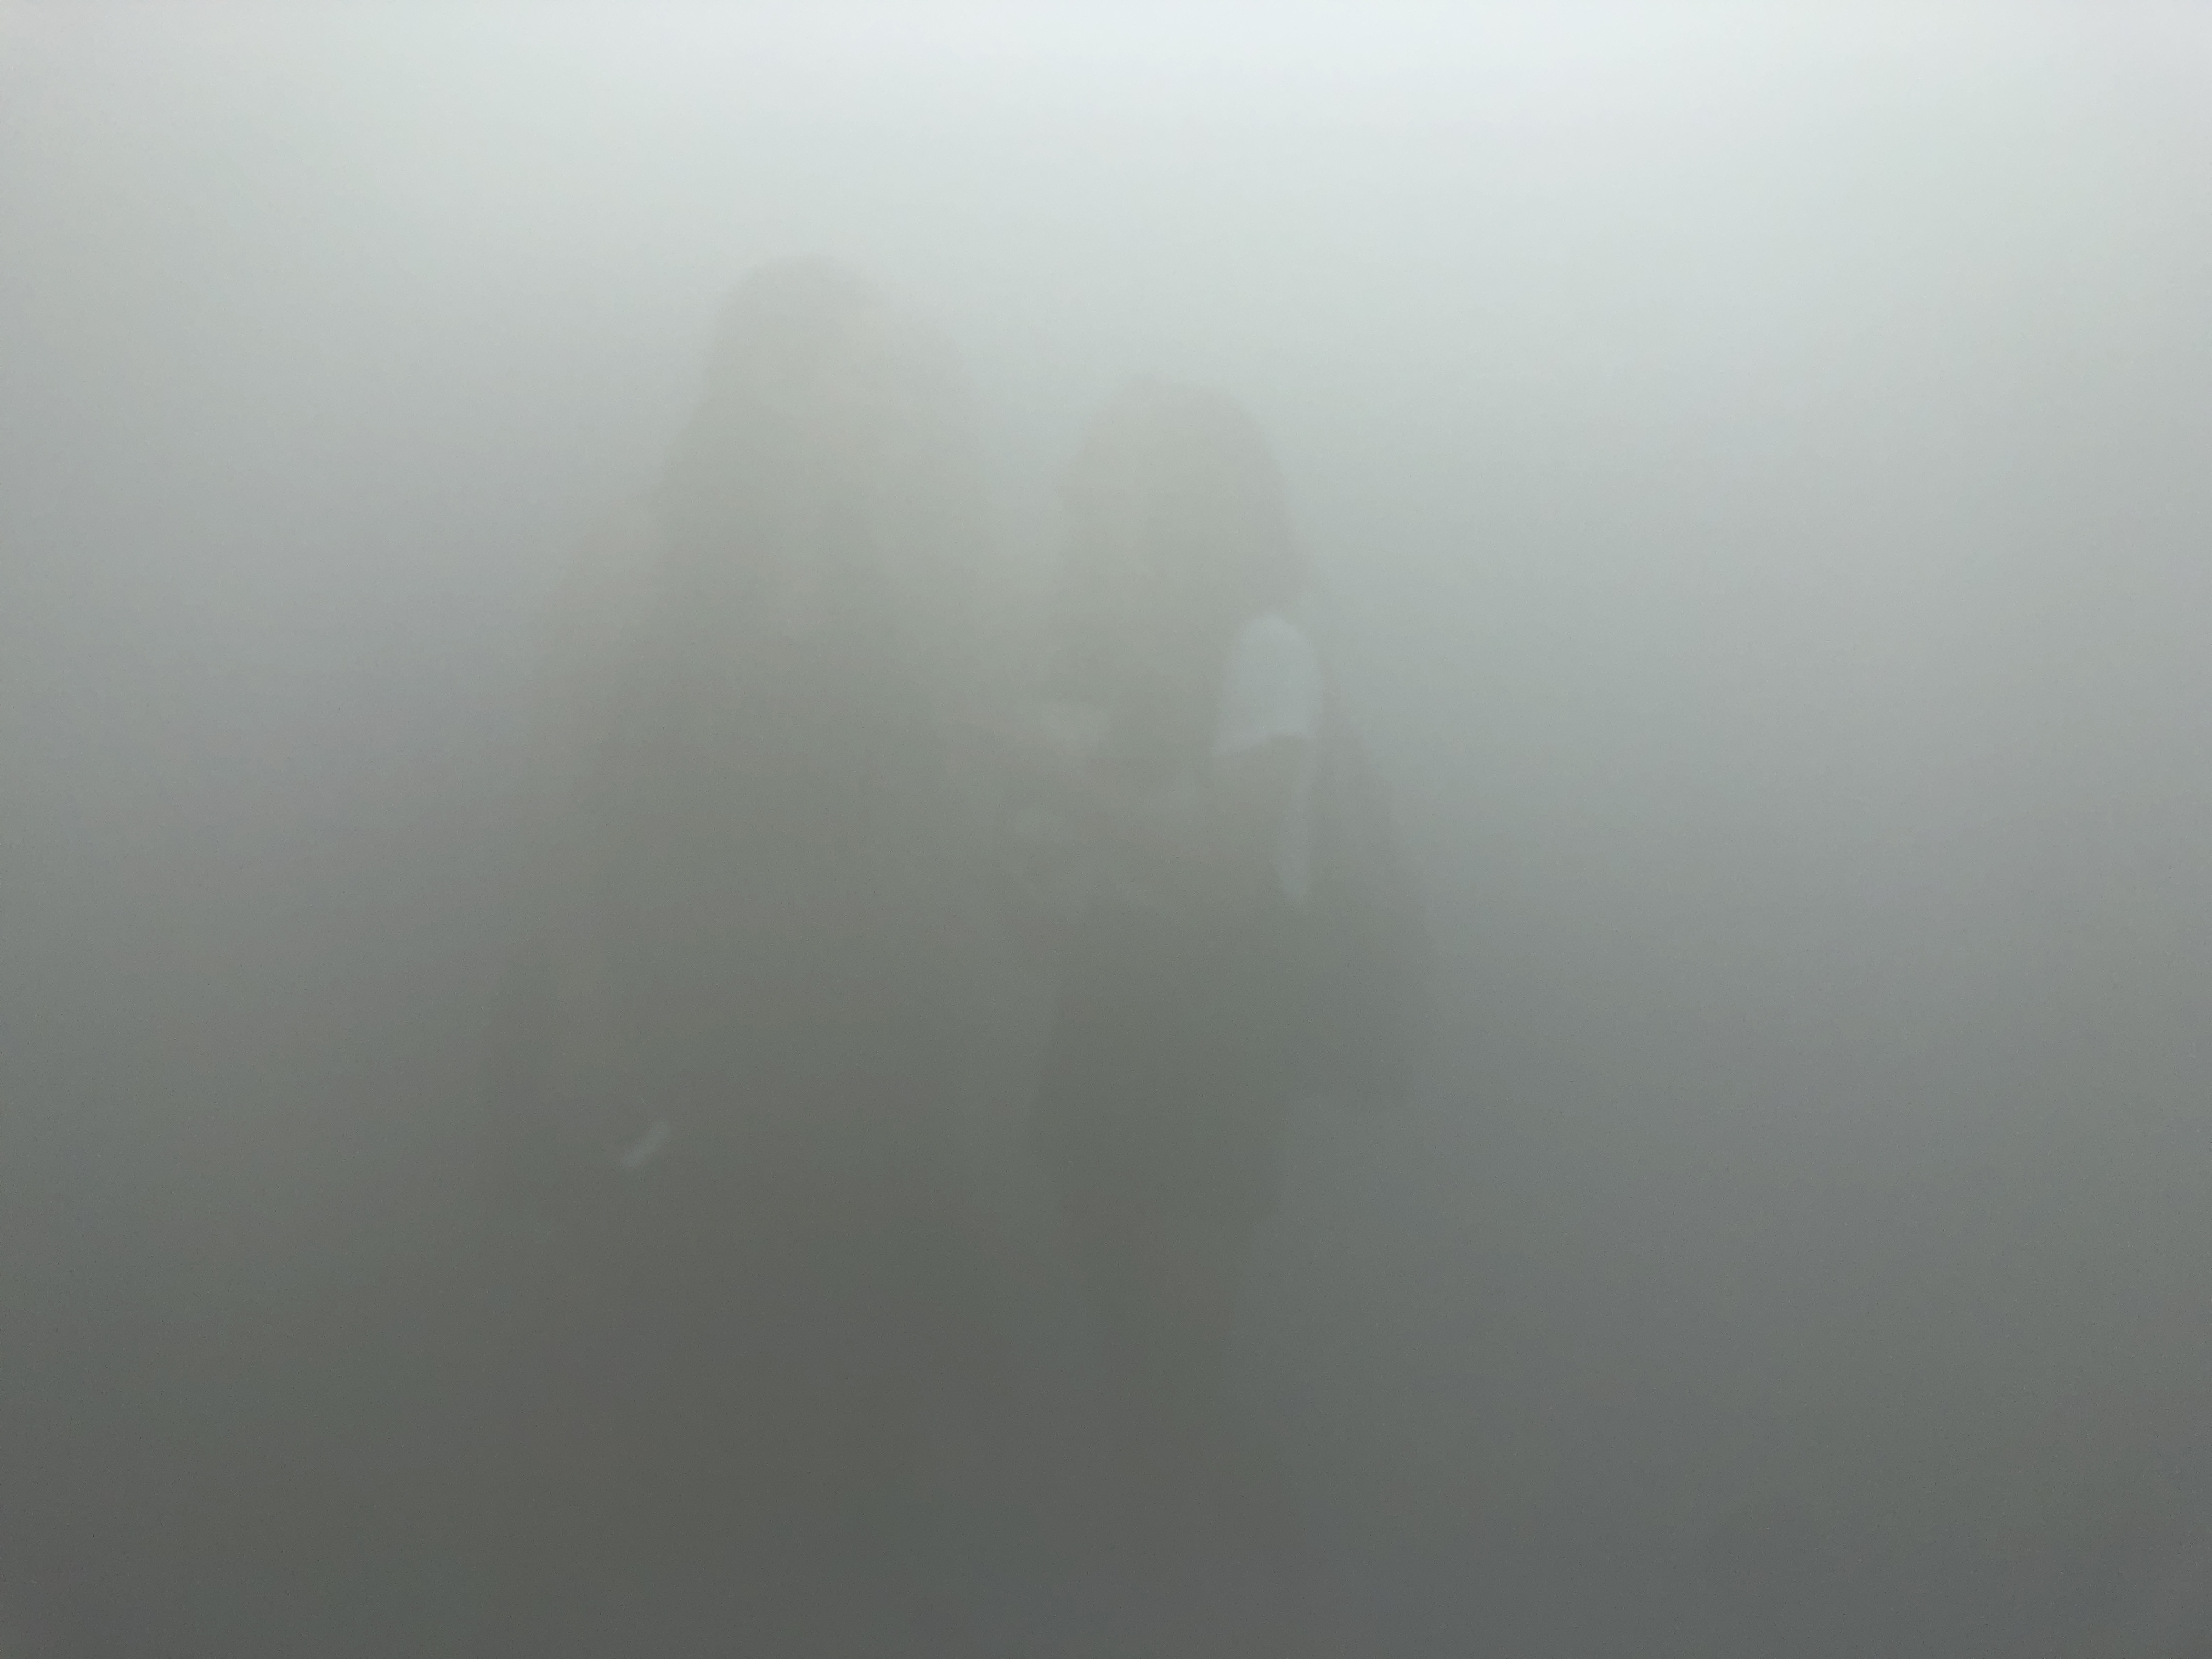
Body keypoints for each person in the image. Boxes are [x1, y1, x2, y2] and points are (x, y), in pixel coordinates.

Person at [474, 258, 1006, 1643]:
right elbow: (554, 797)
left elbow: (931, 779)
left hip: (837, 1044)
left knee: (834, 1369)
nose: (891, 406)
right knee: (665, 1355)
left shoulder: (874, 564)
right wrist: (587, 1014)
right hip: (675, 1026)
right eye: (865, 376)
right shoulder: (643, 550)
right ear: (772, 379)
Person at [1000, 380, 1325, 1576]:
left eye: (1106, 462)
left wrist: (1043, 775)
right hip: (1110, 1005)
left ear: (1183, 490)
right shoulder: (1106, 648)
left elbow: (1231, 880)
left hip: (1211, 1026)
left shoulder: (1264, 647)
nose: (1073, 483)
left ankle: (1240, 1596)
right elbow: (1070, 891)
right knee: (1133, 1362)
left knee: (1177, 1378)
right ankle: (1173, 1585)